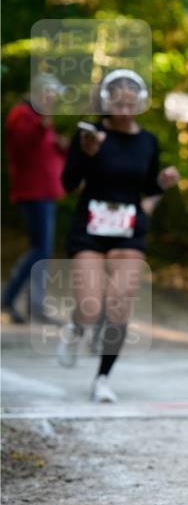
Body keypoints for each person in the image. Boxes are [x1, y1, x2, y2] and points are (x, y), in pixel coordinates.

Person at [57, 69, 179, 402]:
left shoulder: (148, 141)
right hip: (90, 229)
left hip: (128, 230)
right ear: (105, 101)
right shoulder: (91, 134)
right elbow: (67, 183)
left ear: (140, 102)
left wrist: (162, 185)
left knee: (119, 306)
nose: (124, 109)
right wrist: (87, 153)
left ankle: (102, 379)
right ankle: (77, 326)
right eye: (117, 102)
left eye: (131, 102)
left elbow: (146, 186)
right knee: (90, 304)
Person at [2, 74, 68, 323]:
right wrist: (42, 126)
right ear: (41, 92)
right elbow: (20, 148)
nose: (53, 100)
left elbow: (46, 156)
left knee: (40, 250)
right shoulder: (23, 114)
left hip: (45, 192)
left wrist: (61, 147)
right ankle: (12, 299)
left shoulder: (39, 119)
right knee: (39, 249)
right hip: (32, 192)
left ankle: (30, 304)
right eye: (50, 94)